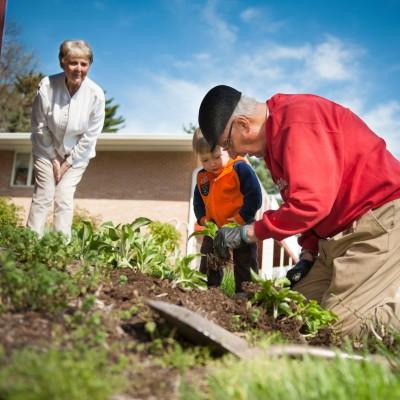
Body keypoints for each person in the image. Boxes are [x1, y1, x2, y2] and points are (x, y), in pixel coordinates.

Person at [198, 84, 400, 337]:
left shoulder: (298, 123)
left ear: (243, 124)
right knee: (293, 313)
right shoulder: (274, 146)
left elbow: (310, 204)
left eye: (228, 144)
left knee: (338, 328)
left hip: (380, 221)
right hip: (339, 236)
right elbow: (308, 205)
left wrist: (248, 232)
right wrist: (307, 253)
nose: (234, 153)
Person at [27, 39, 105, 241]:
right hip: (45, 149)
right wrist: (53, 157)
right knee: (44, 194)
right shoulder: (46, 86)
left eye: (83, 64)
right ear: (62, 62)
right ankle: (30, 242)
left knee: (63, 197)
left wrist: (67, 162)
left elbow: (90, 136)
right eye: (73, 63)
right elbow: (39, 126)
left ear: (89, 65)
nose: (78, 69)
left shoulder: (96, 95)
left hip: (78, 154)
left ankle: (60, 248)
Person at [192, 128, 262, 293]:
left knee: (245, 260)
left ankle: (246, 293)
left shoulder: (239, 169)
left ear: (227, 149)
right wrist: (203, 220)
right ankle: (208, 290)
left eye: (217, 157)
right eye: (205, 160)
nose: (212, 164)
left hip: (240, 224)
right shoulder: (203, 178)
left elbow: (254, 196)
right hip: (215, 227)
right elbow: (198, 202)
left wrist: (241, 218)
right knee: (210, 258)